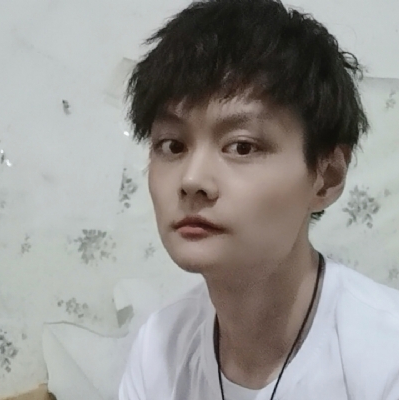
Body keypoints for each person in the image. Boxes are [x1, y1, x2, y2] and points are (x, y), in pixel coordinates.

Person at [119, 0, 399, 399]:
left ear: (327, 177)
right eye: (172, 145)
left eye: (242, 147)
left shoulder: (385, 357)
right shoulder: (159, 350)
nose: (192, 180)